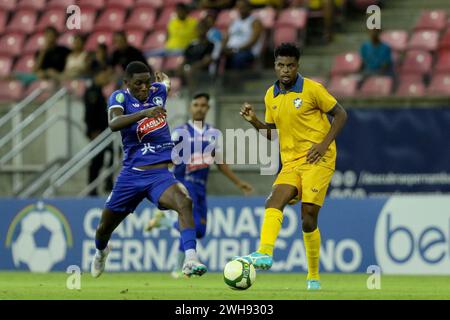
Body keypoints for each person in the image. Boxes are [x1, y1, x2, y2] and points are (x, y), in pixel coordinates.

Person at [237, 43, 347, 290]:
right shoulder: (270, 95)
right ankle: (264, 253)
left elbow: (341, 115)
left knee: (308, 218)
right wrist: (254, 121)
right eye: (280, 65)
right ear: (275, 66)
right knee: (273, 201)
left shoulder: (312, 89)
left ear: (298, 66)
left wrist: (323, 144)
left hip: (318, 158)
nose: (285, 70)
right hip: (290, 161)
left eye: (290, 65)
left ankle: (313, 276)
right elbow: (272, 134)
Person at [90, 61, 207, 279]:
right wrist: (145, 113)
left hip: (159, 175)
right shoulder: (120, 98)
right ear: (127, 83)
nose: (144, 88)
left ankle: (190, 259)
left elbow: (165, 84)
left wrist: (164, 81)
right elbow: (114, 123)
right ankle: (101, 251)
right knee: (103, 228)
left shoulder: (157, 91)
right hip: (131, 174)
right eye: (138, 84)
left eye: (147, 83)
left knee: (185, 202)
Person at [145, 92, 254, 278]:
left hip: (201, 187)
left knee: (200, 231)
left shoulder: (212, 134)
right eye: (196, 105)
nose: (199, 108)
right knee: (193, 224)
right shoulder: (180, 132)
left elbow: (219, 162)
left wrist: (239, 183)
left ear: (208, 108)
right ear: (190, 108)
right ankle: (179, 268)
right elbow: (167, 158)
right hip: (184, 184)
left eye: (203, 105)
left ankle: (165, 221)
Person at [83, 66, 114, 196]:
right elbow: (90, 114)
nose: (107, 79)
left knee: (111, 154)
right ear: (97, 76)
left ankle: (107, 182)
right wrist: (92, 131)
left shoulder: (99, 91)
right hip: (97, 132)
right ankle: (92, 188)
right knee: (96, 161)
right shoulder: (93, 92)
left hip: (103, 132)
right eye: (104, 75)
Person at [222, 0, 263, 70]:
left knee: (238, 58)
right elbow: (226, 37)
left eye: (243, 7)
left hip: (246, 51)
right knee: (217, 56)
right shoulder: (234, 22)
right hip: (231, 50)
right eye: (239, 7)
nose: (241, 10)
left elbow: (253, 41)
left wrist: (236, 50)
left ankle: (239, 80)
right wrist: (223, 47)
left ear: (249, 8)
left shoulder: (255, 22)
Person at [179, 21, 214, 87]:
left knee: (190, 72)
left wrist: (192, 67)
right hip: (188, 67)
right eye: (198, 29)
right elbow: (185, 58)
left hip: (202, 70)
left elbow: (206, 61)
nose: (200, 30)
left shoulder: (210, 44)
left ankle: (192, 94)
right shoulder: (192, 44)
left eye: (202, 28)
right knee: (165, 72)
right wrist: (181, 66)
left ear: (206, 30)